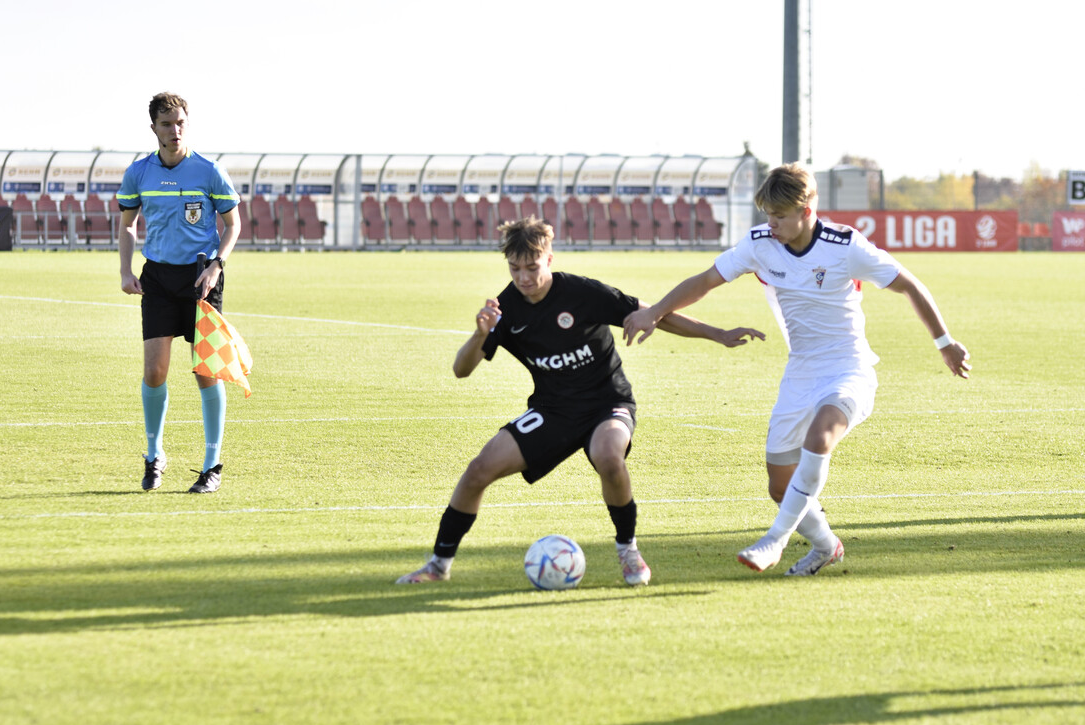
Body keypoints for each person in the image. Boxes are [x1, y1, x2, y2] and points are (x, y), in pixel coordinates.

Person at [623, 163, 971, 576]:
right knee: (779, 485)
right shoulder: (759, 244)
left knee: (821, 435)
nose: (771, 224)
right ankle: (826, 545)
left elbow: (910, 284)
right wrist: (657, 312)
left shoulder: (846, 246)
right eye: (767, 214)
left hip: (849, 368)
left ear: (808, 210)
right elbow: (705, 280)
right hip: (800, 372)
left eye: (781, 216)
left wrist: (944, 343)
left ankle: (776, 539)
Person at [396, 216, 764, 586]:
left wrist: (717, 334)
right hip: (552, 410)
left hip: (608, 402)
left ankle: (628, 550)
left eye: (532, 267)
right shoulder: (506, 309)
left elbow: (652, 314)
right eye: (515, 268)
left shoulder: (582, 293)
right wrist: (480, 335)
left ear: (549, 259)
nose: (523, 277)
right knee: (478, 471)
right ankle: (438, 565)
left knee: (608, 455)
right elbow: (462, 369)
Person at [118, 92, 242, 494]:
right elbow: (127, 224)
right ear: (153, 127)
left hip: (200, 279)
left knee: (207, 372)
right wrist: (125, 270)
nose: (175, 131)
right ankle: (154, 456)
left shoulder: (209, 171)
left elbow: (232, 224)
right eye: (167, 124)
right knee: (154, 370)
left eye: (181, 123)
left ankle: (212, 465)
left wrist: (216, 265)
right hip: (157, 278)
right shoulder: (139, 173)